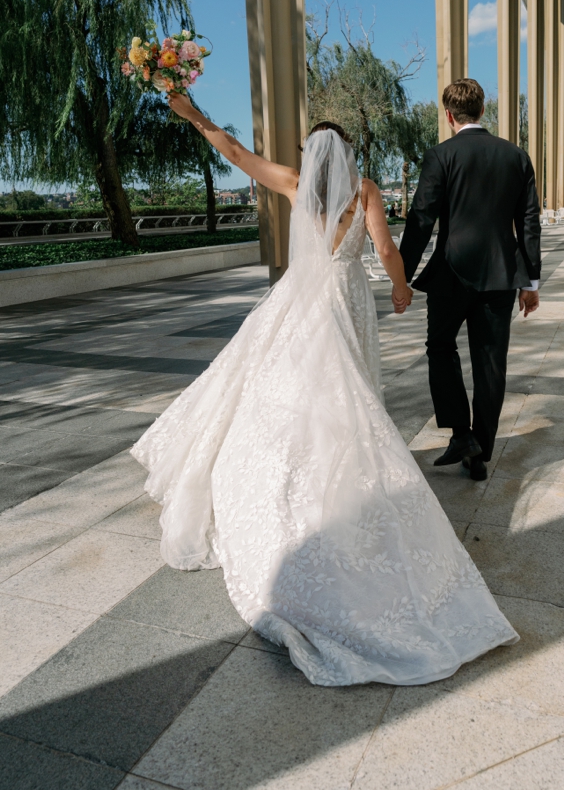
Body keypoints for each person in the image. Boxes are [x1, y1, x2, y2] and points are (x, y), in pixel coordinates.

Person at [132, 94, 519, 687]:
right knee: (350, 395)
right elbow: (387, 248)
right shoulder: (362, 190)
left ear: (309, 156)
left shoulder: (292, 183)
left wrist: (195, 114)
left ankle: (291, 474)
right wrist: (402, 288)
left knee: (289, 393)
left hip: (297, 305)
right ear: (346, 154)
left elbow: (233, 150)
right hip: (347, 305)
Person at [397, 78, 542, 482]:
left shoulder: (440, 156)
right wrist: (530, 282)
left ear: (448, 115)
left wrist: (402, 278)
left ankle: (462, 434)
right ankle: (480, 454)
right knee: (491, 363)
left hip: (450, 273)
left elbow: (421, 219)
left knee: (440, 348)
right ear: (483, 111)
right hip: (501, 274)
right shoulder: (515, 156)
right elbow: (529, 222)